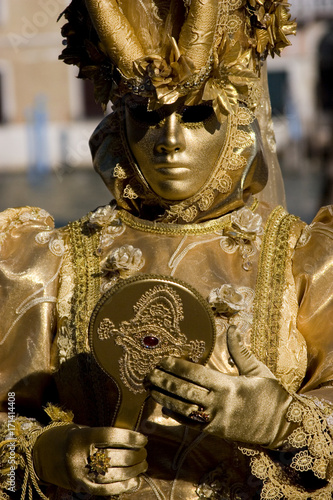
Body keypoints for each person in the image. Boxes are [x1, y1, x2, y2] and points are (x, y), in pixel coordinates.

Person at [1, 0, 333, 499]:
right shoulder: (47, 263)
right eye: (147, 114)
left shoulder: (307, 261)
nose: (169, 140)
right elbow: (9, 413)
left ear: (234, 115)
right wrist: (54, 453)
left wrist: (281, 421)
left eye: (196, 113)